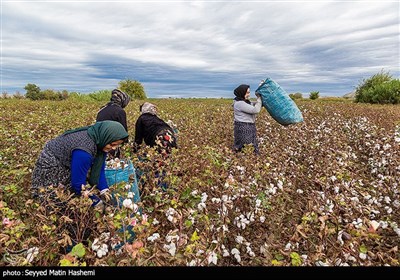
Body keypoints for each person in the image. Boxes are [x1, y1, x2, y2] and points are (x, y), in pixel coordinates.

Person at [31, 120, 129, 206]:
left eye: (117, 145)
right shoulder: (84, 151)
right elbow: (78, 185)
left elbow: (99, 169)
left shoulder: (99, 139)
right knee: (56, 199)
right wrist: (95, 202)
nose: (114, 148)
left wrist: (104, 190)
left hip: (66, 162)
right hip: (52, 167)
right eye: (112, 144)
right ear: (106, 137)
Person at [96, 89, 130, 158]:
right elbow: (123, 131)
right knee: (112, 161)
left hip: (99, 141)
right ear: (123, 100)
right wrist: (125, 145)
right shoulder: (120, 111)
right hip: (112, 142)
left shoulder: (102, 109)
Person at [233, 84, 262, 154]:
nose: (248, 94)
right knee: (246, 148)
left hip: (248, 126)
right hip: (243, 128)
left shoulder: (246, 102)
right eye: (247, 93)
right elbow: (256, 110)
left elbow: (256, 104)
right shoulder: (239, 103)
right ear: (242, 93)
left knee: (250, 147)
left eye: (249, 92)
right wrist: (259, 98)